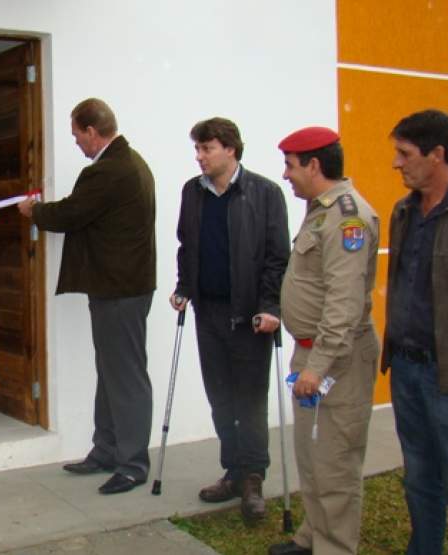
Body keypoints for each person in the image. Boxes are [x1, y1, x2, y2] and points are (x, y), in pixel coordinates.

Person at [17, 98, 155, 494]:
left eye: (77, 134)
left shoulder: (109, 170)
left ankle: (133, 465)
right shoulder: (130, 162)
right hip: (120, 287)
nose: (76, 141)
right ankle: (106, 451)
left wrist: (34, 211)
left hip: (120, 289)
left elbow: (71, 214)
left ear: (92, 131)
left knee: (126, 377)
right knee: (111, 373)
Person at [383, 109, 448, 555]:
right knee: (420, 480)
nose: (396, 163)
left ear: (438, 154)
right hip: (406, 370)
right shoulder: (403, 212)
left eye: (405, 153)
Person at [171, 117, 290, 521]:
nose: (199, 157)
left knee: (250, 400)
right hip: (208, 312)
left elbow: (277, 257)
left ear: (230, 149)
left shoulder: (265, 193)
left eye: (206, 148)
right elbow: (186, 245)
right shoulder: (193, 192)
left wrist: (271, 306)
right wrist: (183, 286)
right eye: (197, 149)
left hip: (251, 315)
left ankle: (253, 478)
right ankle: (233, 471)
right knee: (220, 398)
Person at [270, 127, 380, 555]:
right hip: (312, 353)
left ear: (314, 165)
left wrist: (317, 368)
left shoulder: (348, 218)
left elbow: (343, 303)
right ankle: (312, 537)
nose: (285, 174)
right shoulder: (320, 211)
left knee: (335, 463)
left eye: (290, 165)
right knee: (312, 457)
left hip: (337, 359)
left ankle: (334, 547)